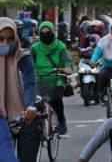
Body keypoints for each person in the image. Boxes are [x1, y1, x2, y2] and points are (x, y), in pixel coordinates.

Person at [0, 17, 39, 161]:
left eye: (10, 39)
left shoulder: (23, 56)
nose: (5, 43)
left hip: (22, 115)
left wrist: (30, 105)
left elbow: (29, 83)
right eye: (1, 38)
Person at [31, 21, 72, 135]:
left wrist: (67, 68)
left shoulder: (60, 46)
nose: (45, 35)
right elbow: (28, 64)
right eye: (42, 33)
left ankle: (61, 119)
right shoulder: (35, 47)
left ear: (53, 32)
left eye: (48, 32)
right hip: (39, 78)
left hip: (56, 77)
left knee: (55, 99)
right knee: (36, 102)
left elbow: (66, 61)